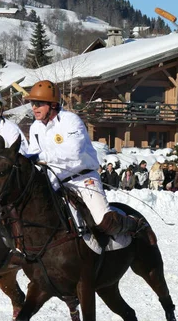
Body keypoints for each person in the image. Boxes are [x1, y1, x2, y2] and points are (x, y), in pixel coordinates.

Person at [25, 79, 143, 237]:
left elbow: (74, 152)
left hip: (83, 178)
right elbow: (33, 153)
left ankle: (136, 225)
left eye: (39, 103)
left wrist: (41, 156)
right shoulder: (35, 128)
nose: (34, 107)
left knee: (104, 222)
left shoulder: (71, 121)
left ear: (52, 104)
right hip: (55, 182)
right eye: (32, 103)